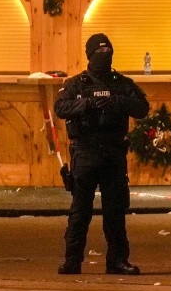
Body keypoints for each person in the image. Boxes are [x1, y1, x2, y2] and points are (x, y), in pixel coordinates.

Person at [55, 33, 149, 275]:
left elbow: (142, 108)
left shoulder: (122, 83)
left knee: (115, 211)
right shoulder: (77, 84)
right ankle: (72, 260)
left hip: (113, 152)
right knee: (79, 211)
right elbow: (60, 108)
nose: (105, 55)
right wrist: (87, 104)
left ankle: (117, 260)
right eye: (100, 51)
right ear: (89, 54)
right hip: (85, 152)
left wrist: (118, 101)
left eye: (108, 50)